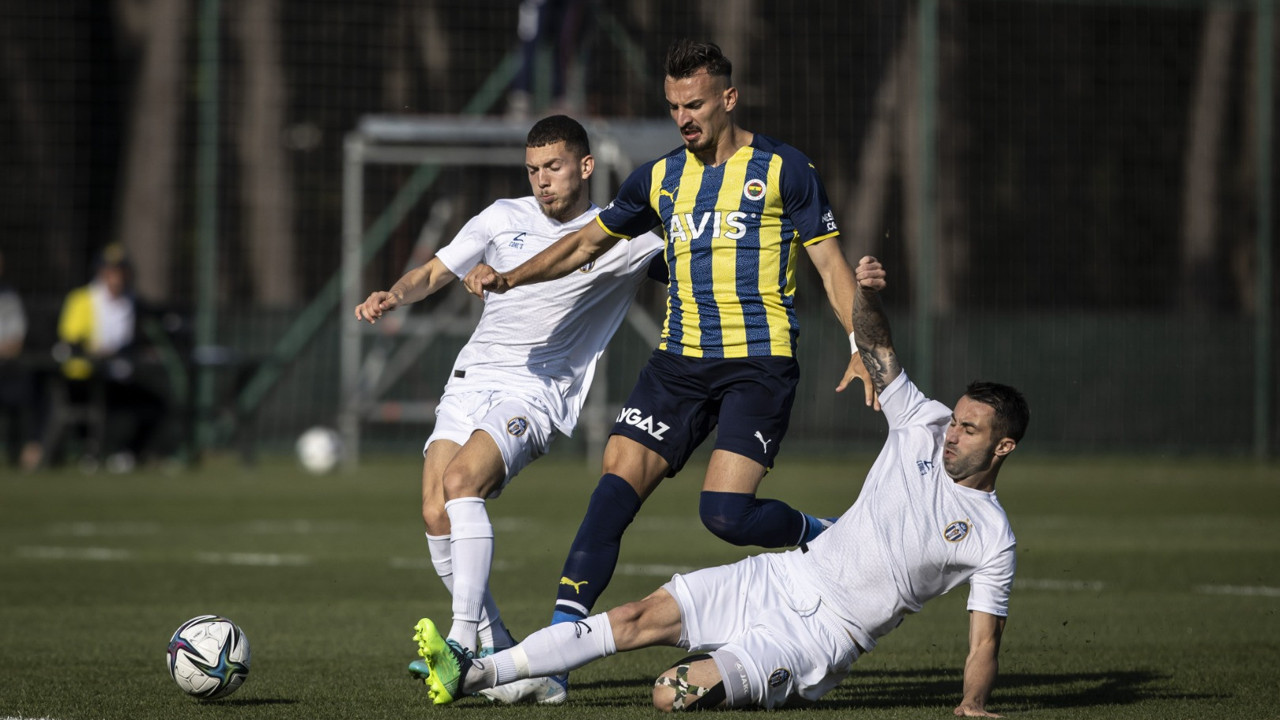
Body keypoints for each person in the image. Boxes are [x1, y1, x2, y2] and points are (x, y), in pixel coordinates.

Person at [416, 255, 1028, 716]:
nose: (952, 432)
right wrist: (860, 291)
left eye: (969, 430)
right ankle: (472, 674)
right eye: (956, 418)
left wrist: (972, 705)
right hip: (782, 576)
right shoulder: (922, 422)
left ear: (1002, 447)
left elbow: (983, 643)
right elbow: (877, 345)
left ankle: (735, 672)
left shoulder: (991, 537)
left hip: (821, 637)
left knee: (668, 694)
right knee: (633, 617)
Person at [464, 38, 878, 702]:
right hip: (678, 364)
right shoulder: (658, 178)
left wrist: (862, 343)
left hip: (757, 365)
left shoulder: (784, 169)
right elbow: (584, 244)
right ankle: (558, 652)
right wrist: (509, 277)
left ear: (728, 98)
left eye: (694, 104)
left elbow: (830, 267)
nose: (683, 117)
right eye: (673, 106)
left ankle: (825, 536)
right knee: (613, 487)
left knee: (726, 515)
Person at [353, 115, 663, 701]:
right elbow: (433, 272)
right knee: (434, 512)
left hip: (535, 391)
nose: (542, 180)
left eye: (554, 167)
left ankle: (463, 643)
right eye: (533, 169)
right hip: (471, 378)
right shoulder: (500, 216)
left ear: (585, 166)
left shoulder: (624, 235)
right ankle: (521, 667)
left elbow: (699, 267)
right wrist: (395, 293)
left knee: (463, 481)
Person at [52, 243, 169, 471]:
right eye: (110, 271)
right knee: (90, 405)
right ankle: (89, 452)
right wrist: (94, 349)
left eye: (120, 271)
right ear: (101, 272)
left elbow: (143, 338)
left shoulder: (133, 302)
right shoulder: (82, 299)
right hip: (86, 376)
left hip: (120, 375)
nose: (116, 277)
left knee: (155, 406)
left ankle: (126, 455)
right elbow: (70, 339)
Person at [0, 250, 44, 470]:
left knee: (30, 389)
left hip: (6, 367)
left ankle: (29, 449)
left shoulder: (9, 297)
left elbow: (15, 340)